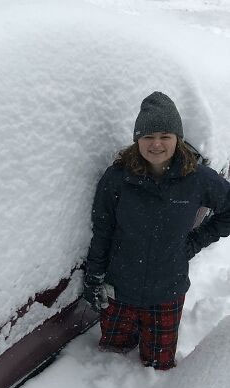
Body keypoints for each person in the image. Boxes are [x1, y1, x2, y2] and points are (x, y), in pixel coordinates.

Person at [83, 91, 230, 370]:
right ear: (137, 139)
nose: (157, 144)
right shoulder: (117, 179)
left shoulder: (197, 179)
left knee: (158, 364)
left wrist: (195, 242)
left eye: (165, 135)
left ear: (178, 138)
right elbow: (102, 231)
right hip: (119, 289)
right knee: (111, 354)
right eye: (148, 136)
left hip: (167, 292)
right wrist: (94, 276)